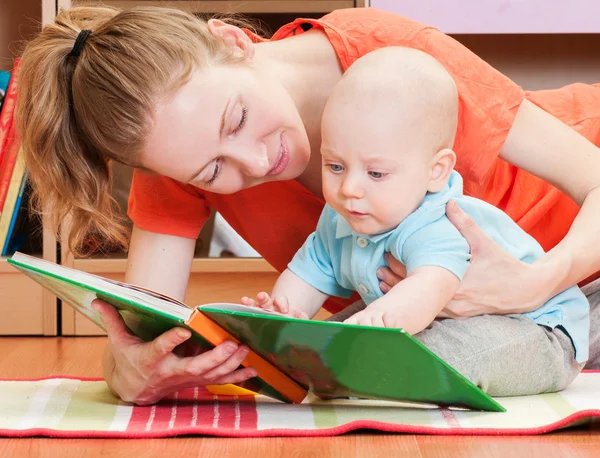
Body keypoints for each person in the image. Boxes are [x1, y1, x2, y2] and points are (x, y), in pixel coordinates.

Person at [15, 5, 600, 404]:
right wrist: (133, 372)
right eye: (214, 171)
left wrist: (535, 282)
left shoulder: (394, 63)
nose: (253, 160)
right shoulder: (175, 150)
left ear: (234, 42)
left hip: (576, 265)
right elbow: (143, 336)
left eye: (238, 118)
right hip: (442, 310)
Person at [241, 47, 588, 395]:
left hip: (535, 328)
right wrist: (282, 319)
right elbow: (307, 274)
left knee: (440, 353)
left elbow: (428, 287)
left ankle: (378, 370)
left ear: (435, 172)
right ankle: (343, 370)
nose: (349, 188)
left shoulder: (439, 221)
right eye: (335, 166)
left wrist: (373, 328)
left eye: (376, 173)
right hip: (436, 315)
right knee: (324, 342)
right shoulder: (341, 216)